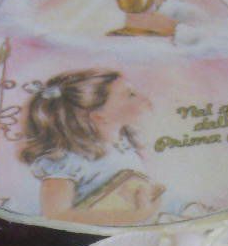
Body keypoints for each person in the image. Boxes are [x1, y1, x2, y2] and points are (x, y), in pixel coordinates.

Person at [19, 69, 165, 226]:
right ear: (99, 116)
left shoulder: (122, 145)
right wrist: (133, 217)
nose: (144, 98)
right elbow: (55, 216)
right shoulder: (67, 160)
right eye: (130, 95)